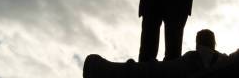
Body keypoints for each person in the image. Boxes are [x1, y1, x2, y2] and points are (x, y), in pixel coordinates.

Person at [83, 29, 228, 78]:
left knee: (148, 71)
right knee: (150, 70)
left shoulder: (196, 57)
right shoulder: (224, 59)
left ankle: (102, 70)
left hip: (191, 66)